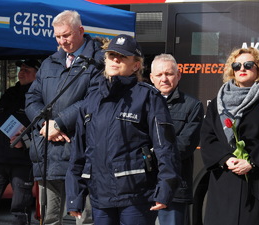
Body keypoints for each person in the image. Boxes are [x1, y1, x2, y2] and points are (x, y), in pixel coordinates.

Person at [65, 34, 181, 225]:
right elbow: (78, 153)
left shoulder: (149, 97)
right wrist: (74, 196)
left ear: (136, 65)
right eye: (111, 55)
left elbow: (166, 148)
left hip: (137, 198)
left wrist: (165, 188)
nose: (115, 60)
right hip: (99, 197)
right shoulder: (90, 101)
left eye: (122, 56)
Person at [25, 10, 104, 225]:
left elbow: (93, 99)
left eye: (66, 35)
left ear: (81, 31)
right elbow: (32, 98)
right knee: (49, 217)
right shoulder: (50, 62)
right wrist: (45, 125)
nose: (62, 41)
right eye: (58, 36)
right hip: (48, 152)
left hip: (81, 151)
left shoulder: (99, 61)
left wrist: (59, 123)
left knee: (84, 218)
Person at [200, 47, 259, 225]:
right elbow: (208, 137)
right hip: (224, 185)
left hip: (257, 187)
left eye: (248, 65)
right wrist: (226, 159)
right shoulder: (218, 103)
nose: (242, 69)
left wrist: (252, 163)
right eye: (237, 65)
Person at [149, 53, 203, 225]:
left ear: (178, 75)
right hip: (142, 187)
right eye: (159, 75)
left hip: (175, 190)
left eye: (169, 74)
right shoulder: (141, 103)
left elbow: (184, 146)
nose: (164, 79)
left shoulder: (192, 106)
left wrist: (148, 155)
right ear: (151, 78)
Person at [0, 59, 40, 225]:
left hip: (22, 161)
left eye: (27, 70)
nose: (22, 72)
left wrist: (26, 142)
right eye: (21, 69)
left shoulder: (39, 97)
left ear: (37, 75)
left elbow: (41, 130)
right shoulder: (9, 93)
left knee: (19, 207)